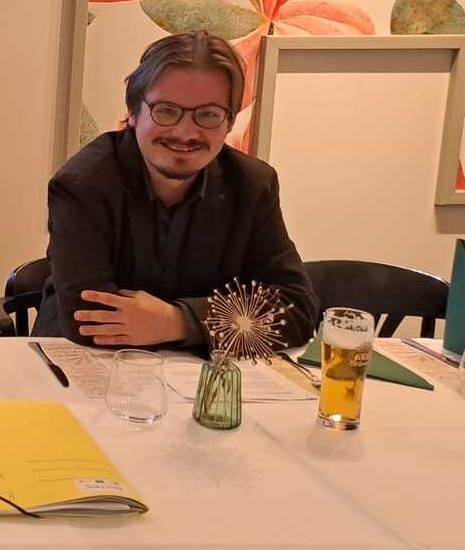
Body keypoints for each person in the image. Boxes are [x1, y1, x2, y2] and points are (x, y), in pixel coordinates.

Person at [32, 31, 318, 349]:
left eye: (208, 114)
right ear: (132, 112)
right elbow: (90, 322)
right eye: (166, 110)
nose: (185, 132)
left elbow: (296, 310)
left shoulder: (253, 184)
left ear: (229, 122)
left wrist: (179, 321)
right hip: (80, 365)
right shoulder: (82, 185)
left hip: (198, 372)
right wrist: (223, 319)